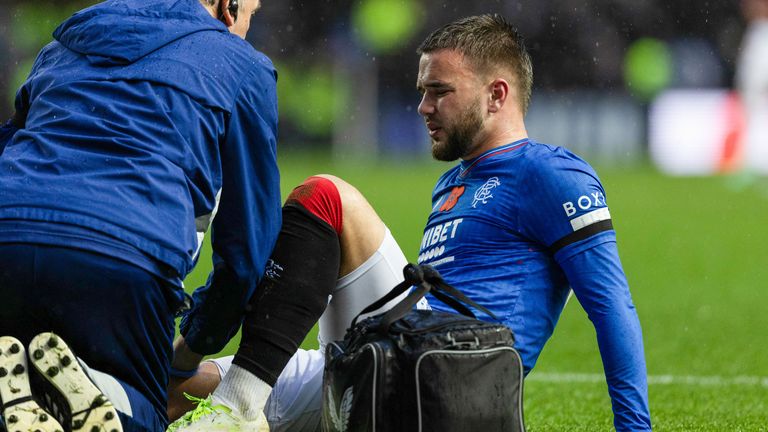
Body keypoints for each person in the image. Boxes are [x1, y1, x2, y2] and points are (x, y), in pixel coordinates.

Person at [169, 14, 652, 432]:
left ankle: (238, 405)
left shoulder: (551, 173)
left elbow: (612, 308)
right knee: (172, 386)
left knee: (327, 197)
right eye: (422, 92)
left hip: (452, 374)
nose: (423, 107)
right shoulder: (452, 183)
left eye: (440, 92)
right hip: (397, 350)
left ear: (497, 95)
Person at [0, 0, 281, 431]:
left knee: (13, 390)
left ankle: (39, 393)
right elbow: (246, 256)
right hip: (123, 258)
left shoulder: (63, 47)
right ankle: (110, 394)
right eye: (251, 15)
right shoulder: (242, 65)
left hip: (8, 239)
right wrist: (194, 344)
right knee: (146, 413)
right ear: (229, 5)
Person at [735, 0, 768, 174]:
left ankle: (753, 161)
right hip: (759, 31)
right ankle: (750, 159)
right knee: (750, 110)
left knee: (752, 107)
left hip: (762, 33)